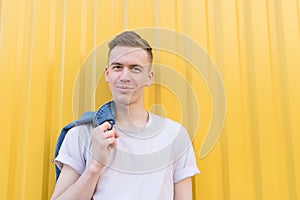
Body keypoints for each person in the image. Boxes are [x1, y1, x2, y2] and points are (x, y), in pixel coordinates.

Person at [51, 31, 200, 200]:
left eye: (135, 69)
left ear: (149, 78)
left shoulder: (175, 135)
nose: (125, 76)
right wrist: (95, 164)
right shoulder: (82, 134)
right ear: (108, 74)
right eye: (117, 67)